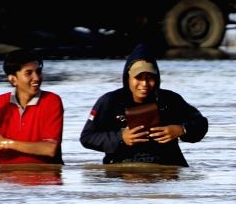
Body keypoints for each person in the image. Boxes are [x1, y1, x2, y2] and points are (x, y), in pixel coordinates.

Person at [80, 44, 208, 167]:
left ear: (157, 79)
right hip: (123, 167)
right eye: (138, 77)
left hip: (166, 167)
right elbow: (87, 137)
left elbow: (201, 123)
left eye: (150, 77)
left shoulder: (170, 99)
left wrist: (181, 130)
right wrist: (120, 137)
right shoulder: (110, 101)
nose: (144, 83)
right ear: (128, 78)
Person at [0, 48, 64, 165]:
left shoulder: (51, 101)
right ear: (13, 79)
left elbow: (50, 149)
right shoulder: (1, 102)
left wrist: (5, 143)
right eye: (29, 73)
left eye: (38, 71)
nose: (36, 78)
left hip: (45, 180)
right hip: (7, 180)